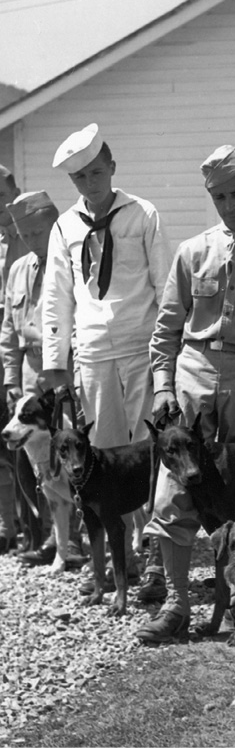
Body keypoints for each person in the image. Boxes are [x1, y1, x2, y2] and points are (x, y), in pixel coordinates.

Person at [136, 145, 235, 643]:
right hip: (193, 377)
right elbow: (166, 329)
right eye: (219, 197)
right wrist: (163, 385)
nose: (230, 206)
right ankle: (176, 604)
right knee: (173, 496)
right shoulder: (192, 252)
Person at [42, 123, 171, 586]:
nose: (90, 184)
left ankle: (156, 551)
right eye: (80, 179)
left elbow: (166, 286)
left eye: (96, 173)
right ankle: (123, 556)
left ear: (111, 167)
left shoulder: (142, 214)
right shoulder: (64, 226)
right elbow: (56, 298)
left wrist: (166, 356)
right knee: (103, 456)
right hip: (93, 352)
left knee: (150, 450)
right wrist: (56, 365)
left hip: (141, 345)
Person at [0, 191, 83, 567]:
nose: (33, 241)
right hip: (30, 375)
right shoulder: (18, 269)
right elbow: (8, 330)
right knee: (33, 460)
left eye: (38, 232)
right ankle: (50, 535)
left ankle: (81, 537)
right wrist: (11, 378)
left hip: (67, 371)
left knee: (74, 452)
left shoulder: (73, 263)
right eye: (24, 233)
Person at [0, 166, 27, 554]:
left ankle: (55, 534)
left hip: (23, 356)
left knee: (26, 445)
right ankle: (9, 526)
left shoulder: (32, 236)